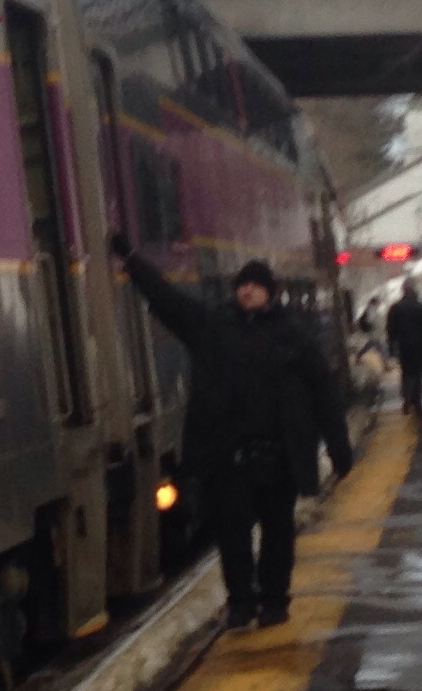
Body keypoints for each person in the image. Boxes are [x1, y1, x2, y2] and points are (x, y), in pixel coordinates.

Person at [110, 237, 353, 628]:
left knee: (278, 536)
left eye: (255, 286)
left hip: (278, 457)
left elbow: (324, 392)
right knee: (233, 538)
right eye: (243, 285)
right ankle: (241, 603)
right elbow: (169, 301)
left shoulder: (293, 337)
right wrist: (133, 261)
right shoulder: (213, 328)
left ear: (270, 292)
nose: (247, 291)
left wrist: (339, 447)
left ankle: (275, 600)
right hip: (230, 458)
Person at [383, 286, 422, 410]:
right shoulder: (421, 307)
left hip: (403, 345)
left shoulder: (396, 308)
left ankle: (407, 396)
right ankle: (417, 400)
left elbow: (391, 328)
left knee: (406, 372)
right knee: (419, 373)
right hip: (419, 345)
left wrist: (391, 345)